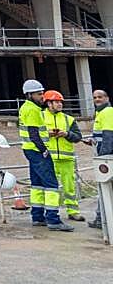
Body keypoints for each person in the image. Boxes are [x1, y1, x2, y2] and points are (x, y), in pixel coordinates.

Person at [18, 79, 73, 230]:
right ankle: (53, 220)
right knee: (51, 185)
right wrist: (44, 149)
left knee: (37, 185)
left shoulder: (26, 107)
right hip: (36, 151)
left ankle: (37, 216)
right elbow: (33, 133)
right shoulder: (32, 110)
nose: (42, 97)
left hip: (30, 150)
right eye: (39, 94)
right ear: (29, 95)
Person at [42, 90, 84, 221]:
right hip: (49, 158)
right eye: (56, 102)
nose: (60, 104)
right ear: (49, 103)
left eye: (61, 102)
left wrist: (67, 134)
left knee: (69, 187)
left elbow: (78, 137)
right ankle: (51, 213)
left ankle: (73, 211)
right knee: (50, 189)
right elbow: (33, 134)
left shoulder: (68, 119)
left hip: (66, 159)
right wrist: (47, 133)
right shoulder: (40, 117)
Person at [85, 89, 113, 229]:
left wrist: (103, 159)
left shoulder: (107, 112)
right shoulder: (100, 112)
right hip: (104, 155)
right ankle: (101, 218)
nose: (97, 99)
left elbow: (108, 136)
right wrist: (93, 140)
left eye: (100, 97)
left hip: (106, 157)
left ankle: (102, 219)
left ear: (107, 98)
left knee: (104, 188)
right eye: (95, 97)